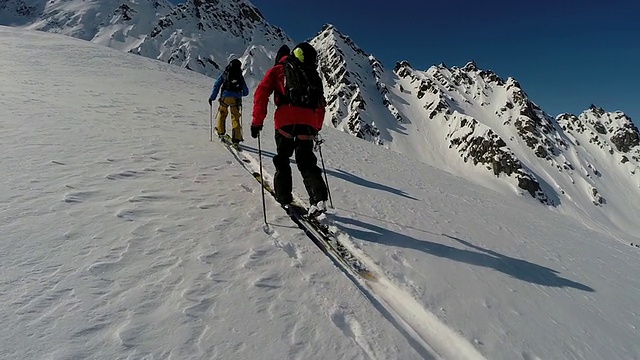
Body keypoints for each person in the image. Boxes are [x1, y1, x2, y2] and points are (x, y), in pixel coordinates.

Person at [251, 42, 328, 216]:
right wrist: (315, 127)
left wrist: (257, 122)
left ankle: (284, 197)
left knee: (283, 158)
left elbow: (261, 94)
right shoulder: (311, 74)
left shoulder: (278, 70)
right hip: (308, 122)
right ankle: (319, 199)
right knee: (307, 162)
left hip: (285, 121)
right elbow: (321, 104)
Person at [208, 59, 249, 145]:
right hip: (236, 99)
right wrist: (238, 94)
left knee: (222, 114)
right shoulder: (239, 76)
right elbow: (246, 92)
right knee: (235, 117)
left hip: (225, 97)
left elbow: (217, 84)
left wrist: (212, 97)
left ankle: (220, 132)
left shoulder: (225, 73)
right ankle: (236, 138)